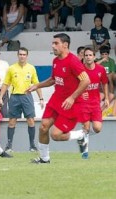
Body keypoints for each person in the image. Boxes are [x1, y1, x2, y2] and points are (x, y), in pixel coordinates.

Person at [27, 33, 90, 164]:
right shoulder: (56, 61)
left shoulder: (73, 61)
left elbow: (86, 81)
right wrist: (37, 85)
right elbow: (53, 80)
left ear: (65, 45)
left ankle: (80, 135)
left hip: (71, 104)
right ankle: (44, 159)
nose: (53, 46)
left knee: (55, 135)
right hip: (57, 100)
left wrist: (72, 98)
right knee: (43, 127)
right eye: (53, 43)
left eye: (56, 43)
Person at [0, 47, 44, 153]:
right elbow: (5, 84)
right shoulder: (11, 68)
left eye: (24, 54)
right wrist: (1, 98)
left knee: (31, 121)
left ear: (27, 56)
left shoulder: (31, 68)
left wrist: (41, 98)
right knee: (12, 121)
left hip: (27, 96)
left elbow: (37, 84)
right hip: (14, 97)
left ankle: (32, 146)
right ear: (17, 55)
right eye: (20, 54)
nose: (22, 56)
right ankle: (9, 146)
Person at [73, 47, 109, 159]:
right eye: (86, 55)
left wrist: (106, 98)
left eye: (90, 55)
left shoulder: (100, 69)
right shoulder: (80, 70)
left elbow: (105, 83)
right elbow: (73, 84)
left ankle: (81, 137)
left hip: (95, 103)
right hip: (83, 103)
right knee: (86, 127)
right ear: (83, 57)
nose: (88, 57)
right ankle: (85, 154)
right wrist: (79, 94)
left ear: (94, 57)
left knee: (97, 128)